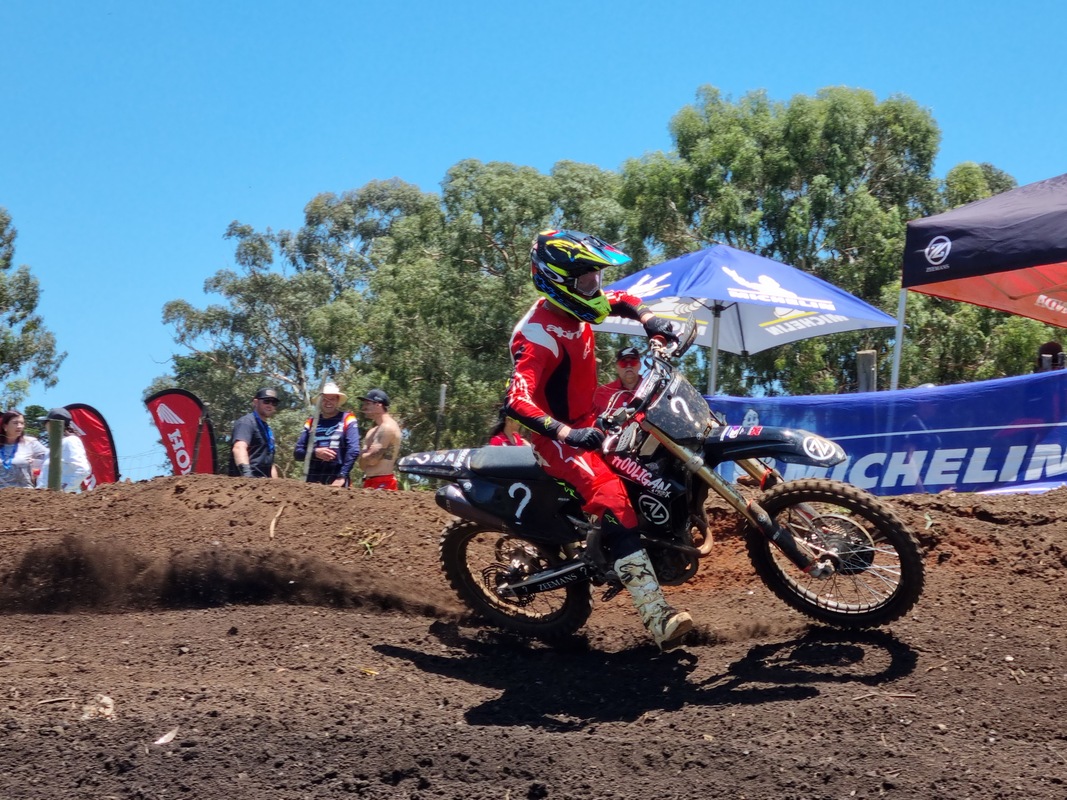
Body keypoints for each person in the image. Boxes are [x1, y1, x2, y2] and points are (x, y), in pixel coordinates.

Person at [505, 229, 693, 650]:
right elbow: (516, 401)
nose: (596, 286)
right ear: (558, 280)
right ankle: (657, 616)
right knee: (614, 501)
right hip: (559, 438)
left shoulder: (575, 305)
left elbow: (621, 300)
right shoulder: (536, 335)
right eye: (587, 279)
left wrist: (650, 321)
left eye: (597, 277)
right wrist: (567, 432)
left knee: (658, 454)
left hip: (593, 419)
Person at [294, 382, 361, 486]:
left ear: (337, 401)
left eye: (332, 399)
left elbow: (354, 449)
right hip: (312, 480)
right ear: (319, 401)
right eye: (324, 399)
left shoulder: (347, 418)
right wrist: (315, 452)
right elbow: (298, 453)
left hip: (337, 478)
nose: (328, 402)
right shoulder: (311, 422)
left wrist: (342, 475)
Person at [35, 408, 93, 492]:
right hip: (44, 496)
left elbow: (83, 469)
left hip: (58, 497)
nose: (45, 426)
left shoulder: (71, 441)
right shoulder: (54, 445)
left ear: (52, 424)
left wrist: (65, 490)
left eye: (46, 422)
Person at [228, 388, 280, 478]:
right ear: (255, 402)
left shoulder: (268, 430)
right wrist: (247, 476)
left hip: (264, 483)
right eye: (266, 401)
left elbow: (270, 462)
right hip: (244, 482)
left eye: (274, 403)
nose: (270, 405)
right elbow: (239, 448)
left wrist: (276, 484)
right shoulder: (246, 422)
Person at [358, 389, 402, 490]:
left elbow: (372, 460)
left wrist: (364, 455)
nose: (364, 407)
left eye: (367, 404)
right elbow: (362, 466)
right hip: (368, 481)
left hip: (383, 482)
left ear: (378, 404)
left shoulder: (387, 427)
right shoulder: (372, 431)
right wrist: (366, 455)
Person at [0, 410, 49, 489]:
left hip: (25, 493)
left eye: (22, 423)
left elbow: (51, 458)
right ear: (5, 426)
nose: (19, 426)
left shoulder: (30, 443)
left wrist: (37, 464)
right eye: (15, 423)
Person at [592, 345, 644, 415]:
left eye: (633, 362)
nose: (628, 366)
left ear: (640, 365)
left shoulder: (652, 391)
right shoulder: (601, 392)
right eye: (623, 363)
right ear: (617, 367)